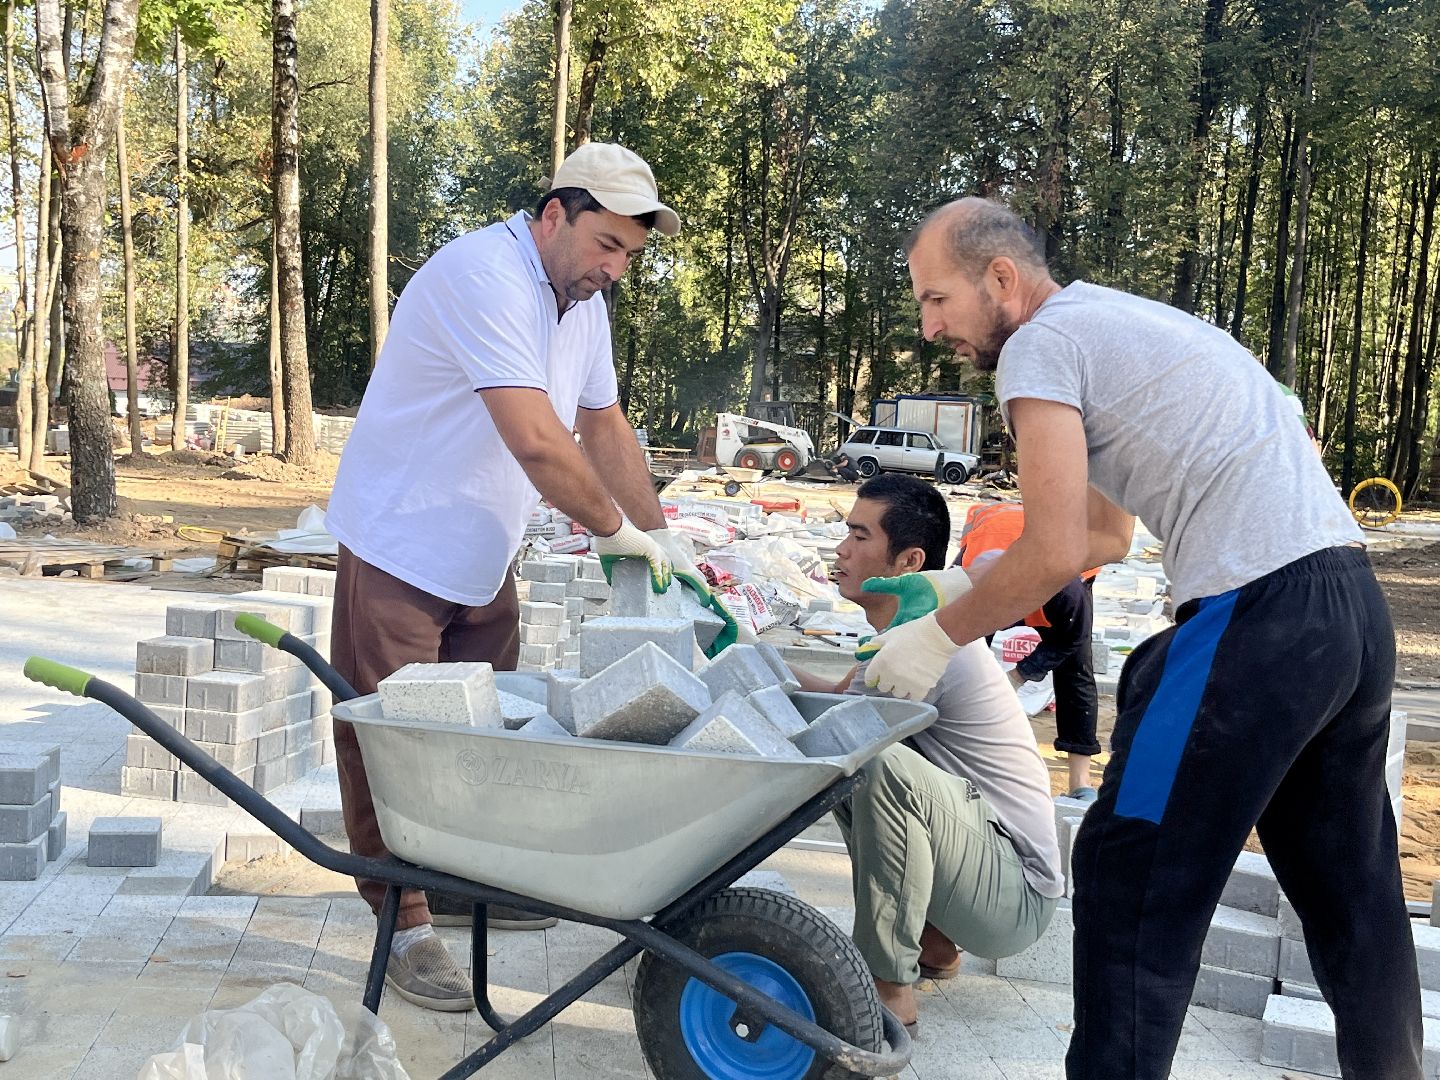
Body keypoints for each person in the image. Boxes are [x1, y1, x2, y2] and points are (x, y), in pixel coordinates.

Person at [858, 197, 1421, 1077]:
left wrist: (934, 638)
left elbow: (1054, 551)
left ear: (1001, 277)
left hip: (1252, 622)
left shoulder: (1041, 345)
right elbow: (1102, 535)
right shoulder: (1120, 323)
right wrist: (961, 582)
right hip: (1347, 614)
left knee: (1129, 870)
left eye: (937, 299)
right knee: (1355, 900)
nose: (930, 328)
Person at [324, 143, 711, 1013]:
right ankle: (404, 922)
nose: (614, 269)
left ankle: (463, 878)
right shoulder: (485, 276)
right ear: (553, 215)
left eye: (629, 255)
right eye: (605, 245)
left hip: (481, 552)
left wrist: (659, 537)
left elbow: (604, 426)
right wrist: (612, 531)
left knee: (479, 738)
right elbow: (539, 441)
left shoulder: (582, 306)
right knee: (392, 742)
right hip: (401, 540)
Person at [790, 473, 1063, 1036]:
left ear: (909, 562)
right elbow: (838, 697)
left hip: (1014, 894)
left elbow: (838, 728)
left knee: (871, 765)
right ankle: (934, 945)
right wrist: (748, 655)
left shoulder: (930, 645)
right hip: (987, 876)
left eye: (860, 537)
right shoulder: (912, 638)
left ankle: (889, 988)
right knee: (861, 770)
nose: (841, 550)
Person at [958, 503, 1101, 801]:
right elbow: (953, 635)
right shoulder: (966, 578)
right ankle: (963, 761)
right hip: (993, 546)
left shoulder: (1066, 589)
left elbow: (1070, 639)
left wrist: (1018, 676)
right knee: (964, 661)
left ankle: (1080, 782)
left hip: (1061, 560)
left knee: (1075, 670)